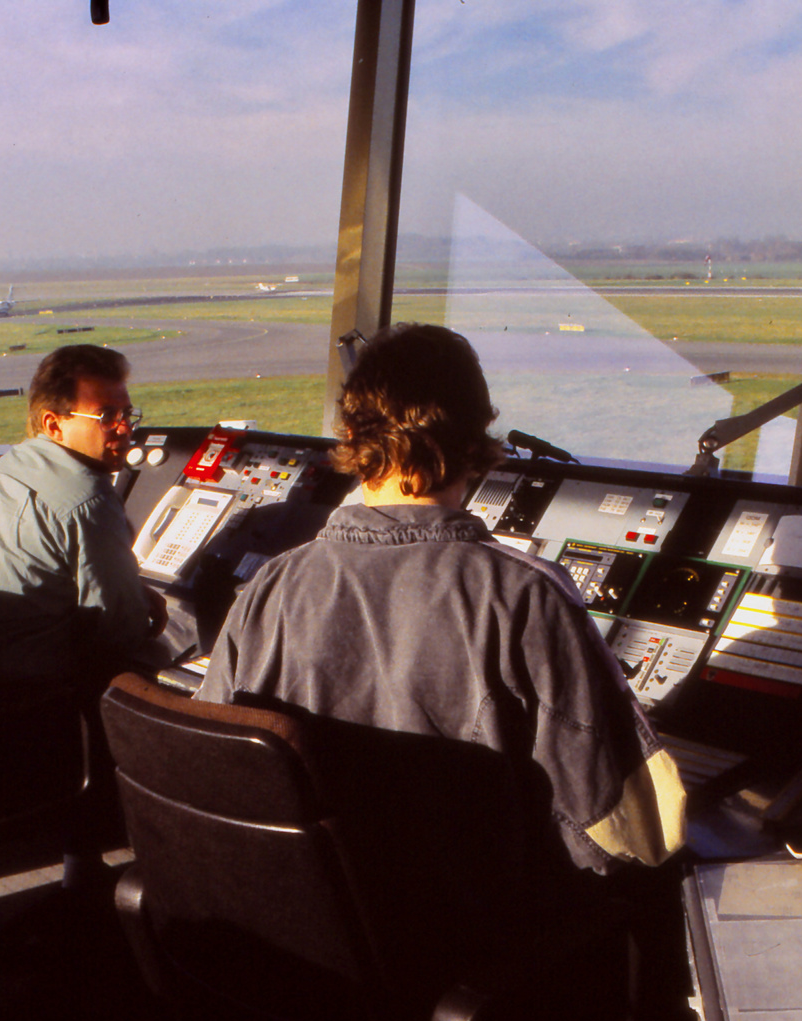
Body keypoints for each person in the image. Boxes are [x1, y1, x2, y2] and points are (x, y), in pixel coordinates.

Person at [196, 323, 685, 874]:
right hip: (466, 934)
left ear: (355, 438)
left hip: (312, 919)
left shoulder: (269, 587)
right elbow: (627, 833)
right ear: (472, 442)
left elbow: (216, 768)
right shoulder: (526, 594)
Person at [0, 343, 167, 716]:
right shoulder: (88, 499)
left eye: (126, 413)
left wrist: (128, 592)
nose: (123, 428)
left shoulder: (10, 466)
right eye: (105, 415)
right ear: (54, 424)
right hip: (1, 708)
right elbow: (119, 632)